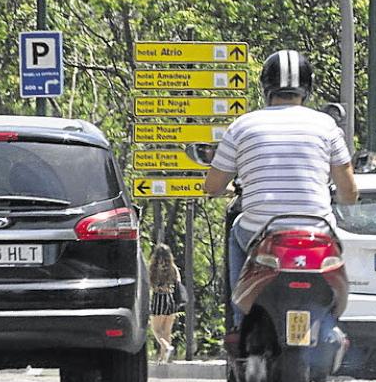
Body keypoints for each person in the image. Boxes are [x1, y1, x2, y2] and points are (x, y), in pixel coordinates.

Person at [203, 49, 359, 349]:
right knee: (335, 251)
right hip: (316, 229)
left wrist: (224, 189)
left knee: (237, 230)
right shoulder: (326, 126)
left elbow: (212, 186)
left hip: (261, 230)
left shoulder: (242, 126)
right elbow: (349, 192)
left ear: (266, 87)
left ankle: (239, 320)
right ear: (307, 87)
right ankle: (331, 324)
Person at [148, 245, 183, 363]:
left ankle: (166, 347)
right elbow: (178, 281)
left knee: (156, 330)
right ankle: (163, 358)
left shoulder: (153, 268)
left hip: (158, 298)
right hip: (171, 298)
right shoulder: (172, 268)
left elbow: (149, 283)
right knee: (167, 331)